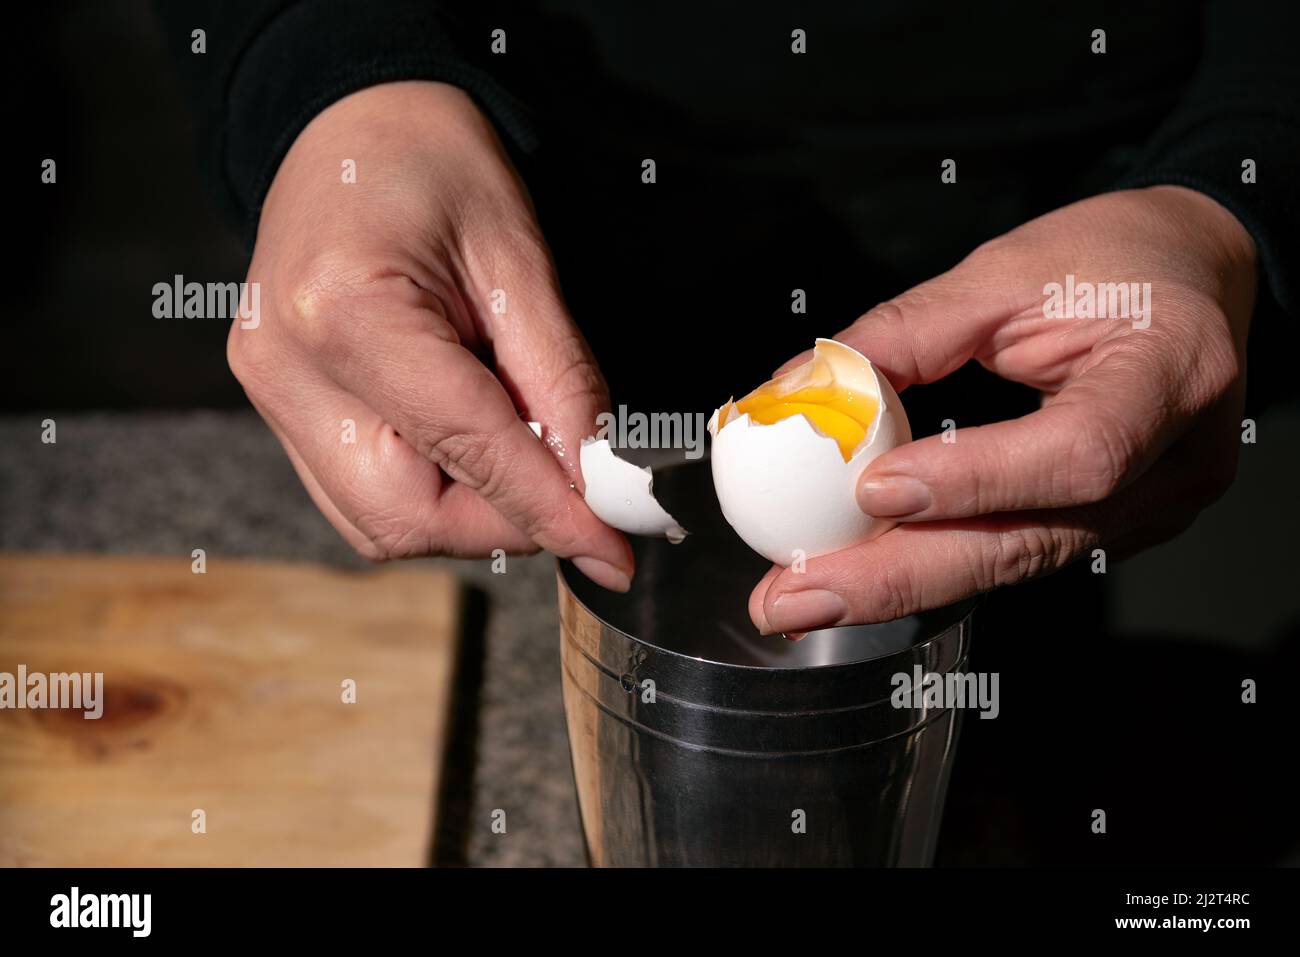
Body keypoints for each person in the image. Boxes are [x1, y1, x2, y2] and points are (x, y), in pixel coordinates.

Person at [161, 1, 1297, 634]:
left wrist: (1238, 188)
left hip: (1096, 222)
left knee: (1009, 669)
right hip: (532, 193)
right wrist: (325, 75)